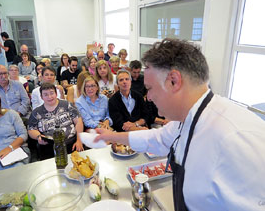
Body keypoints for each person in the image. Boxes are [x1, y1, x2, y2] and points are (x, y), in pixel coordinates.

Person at [95, 38, 265, 211]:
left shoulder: (236, 138)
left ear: (174, 81)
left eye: (150, 88)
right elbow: (156, 138)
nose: (149, 97)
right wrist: (110, 136)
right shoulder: (187, 118)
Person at [28, 83, 84, 160]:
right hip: (49, 146)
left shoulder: (67, 105)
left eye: (52, 93)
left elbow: (78, 122)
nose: (49, 97)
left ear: (56, 93)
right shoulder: (36, 112)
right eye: (46, 94)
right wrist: (38, 137)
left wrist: (79, 141)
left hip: (71, 143)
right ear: (41, 97)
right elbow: (31, 129)